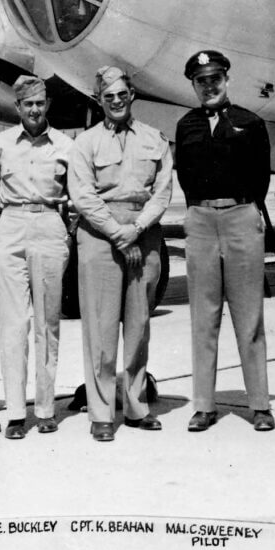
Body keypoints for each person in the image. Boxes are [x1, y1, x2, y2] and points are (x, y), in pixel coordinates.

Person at [68, 66, 172, 442]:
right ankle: (100, 412)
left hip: (143, 233)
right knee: (101, 327)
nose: (116, 101)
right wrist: (118, 234)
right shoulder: (85, 143)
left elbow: (162, 190)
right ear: (99, 100)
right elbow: (83, 195)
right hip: (99, 237)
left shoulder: (154, 139)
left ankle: (136, 405)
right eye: (108, 96)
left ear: (132, 97)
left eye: (122, 95)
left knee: (139, 325)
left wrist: (137, 230)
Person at [175, 50, 273, 432]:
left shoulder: (251, 122)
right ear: (195, 86)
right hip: (200, 220)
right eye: (202, 81)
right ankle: (204, 405)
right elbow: (185, 177)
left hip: (241, 216)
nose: (209, 86)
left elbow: (261, 177)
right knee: (204, 317)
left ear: (227, 80)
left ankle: (260, 404)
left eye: (215, 79)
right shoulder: (186, 126)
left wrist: (242, 211)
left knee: (249, 315)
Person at [0, 76, 74, 439]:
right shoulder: (1, 144)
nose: (34, 110)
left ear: (47, 105)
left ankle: (47, 409)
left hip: (49, 227)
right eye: (27, 104)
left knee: (47, 324)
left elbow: (75, 196)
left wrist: (61, 230)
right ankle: (17, 413)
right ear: (17, 108)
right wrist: (3, 226)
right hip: (12, 225)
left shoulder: (65, 145)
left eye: (40, 103)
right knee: (12, 323)